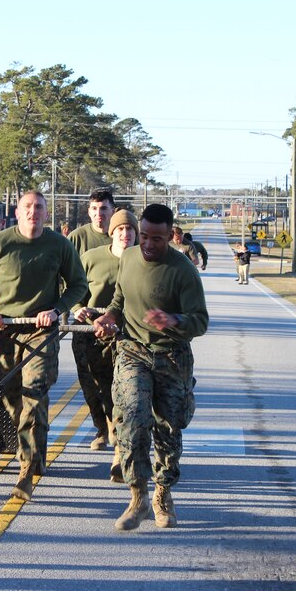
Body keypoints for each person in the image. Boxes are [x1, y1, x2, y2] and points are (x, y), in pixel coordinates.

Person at [0, 191, 88, 501]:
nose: (34, 212)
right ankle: (36, 449)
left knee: (34, 392)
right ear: (16, 213)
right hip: (5, 330)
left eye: (39, 208)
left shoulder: (60, 245)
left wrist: (57, 309)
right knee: (13, 400)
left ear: (47, 214)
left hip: (40, 331)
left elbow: (78, 285)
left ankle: (24, 471)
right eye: (28, 207)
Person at [94, 203, 208, 531]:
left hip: (171, 356)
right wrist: (109, 316)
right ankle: (137, 495)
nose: (147, 244)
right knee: (131, 417)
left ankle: (163, 492)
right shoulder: (128, 258)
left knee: (168, 431)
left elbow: (200, 321)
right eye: (143, 236)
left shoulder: (183, 269)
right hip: (133, 351)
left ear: (169, 236)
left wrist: (174, 319)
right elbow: (120, 298)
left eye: (156, 239)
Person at [72, 209, 137, 455]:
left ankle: (118, 435)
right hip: (90, 331)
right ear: (112, 232)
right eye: (120, 229)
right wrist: (77, 308)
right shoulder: (91, 258)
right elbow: (73, 286)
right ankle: (102, 427)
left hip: (126, 333)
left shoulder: (143, 258)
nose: (125, 234)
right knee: (93, 386)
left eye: (130, 229)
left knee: (120, 387)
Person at [68, 188, 114, 257]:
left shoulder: (122, 237)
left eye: (103, 208)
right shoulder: (76, 238)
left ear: (113, 212)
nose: (98, 213)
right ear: (89, 212)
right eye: (94, 208)